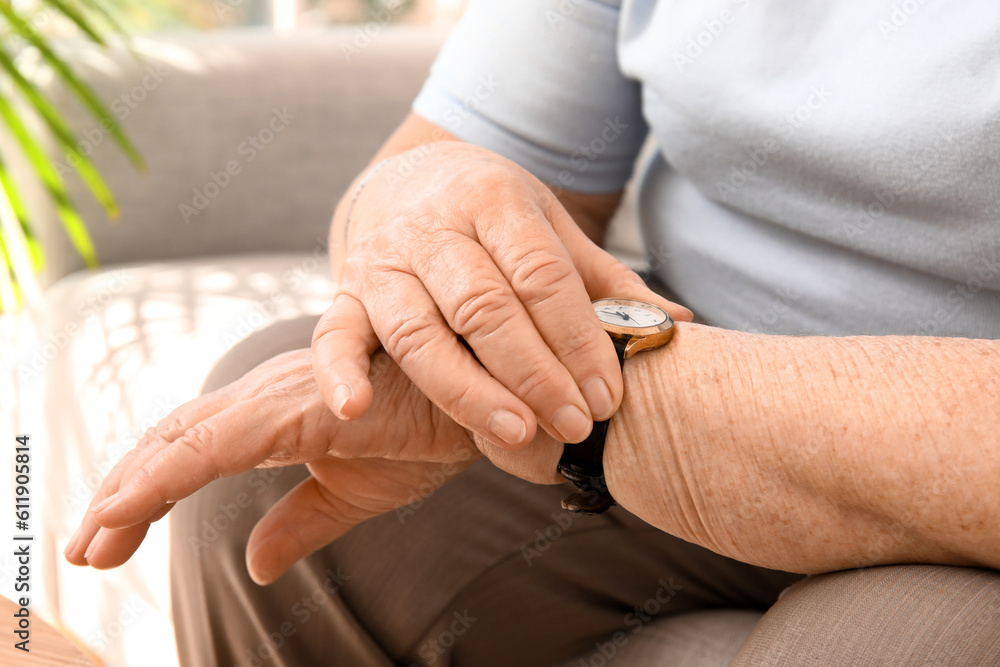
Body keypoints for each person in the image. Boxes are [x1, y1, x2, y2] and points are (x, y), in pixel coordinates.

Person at [66, 1, 1000, 665]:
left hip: (960, 485)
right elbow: (440, 170)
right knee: (257, 477)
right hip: (694, 341)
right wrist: (417, 216)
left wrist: (615, 411)